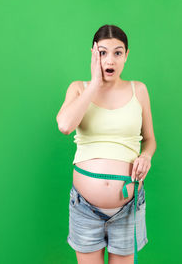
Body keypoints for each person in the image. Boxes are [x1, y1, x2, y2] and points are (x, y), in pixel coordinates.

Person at [56, 24, 157, 264]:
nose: (110, 60)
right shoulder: (79, 88)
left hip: (127, 207)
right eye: (102, 52)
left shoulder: (139, 90)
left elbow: (150, 139)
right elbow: (65, 125)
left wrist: (146, 156)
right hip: (85, 207)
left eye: (117, 52)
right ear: (93, 54)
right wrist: (94, 84)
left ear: (126, 55)